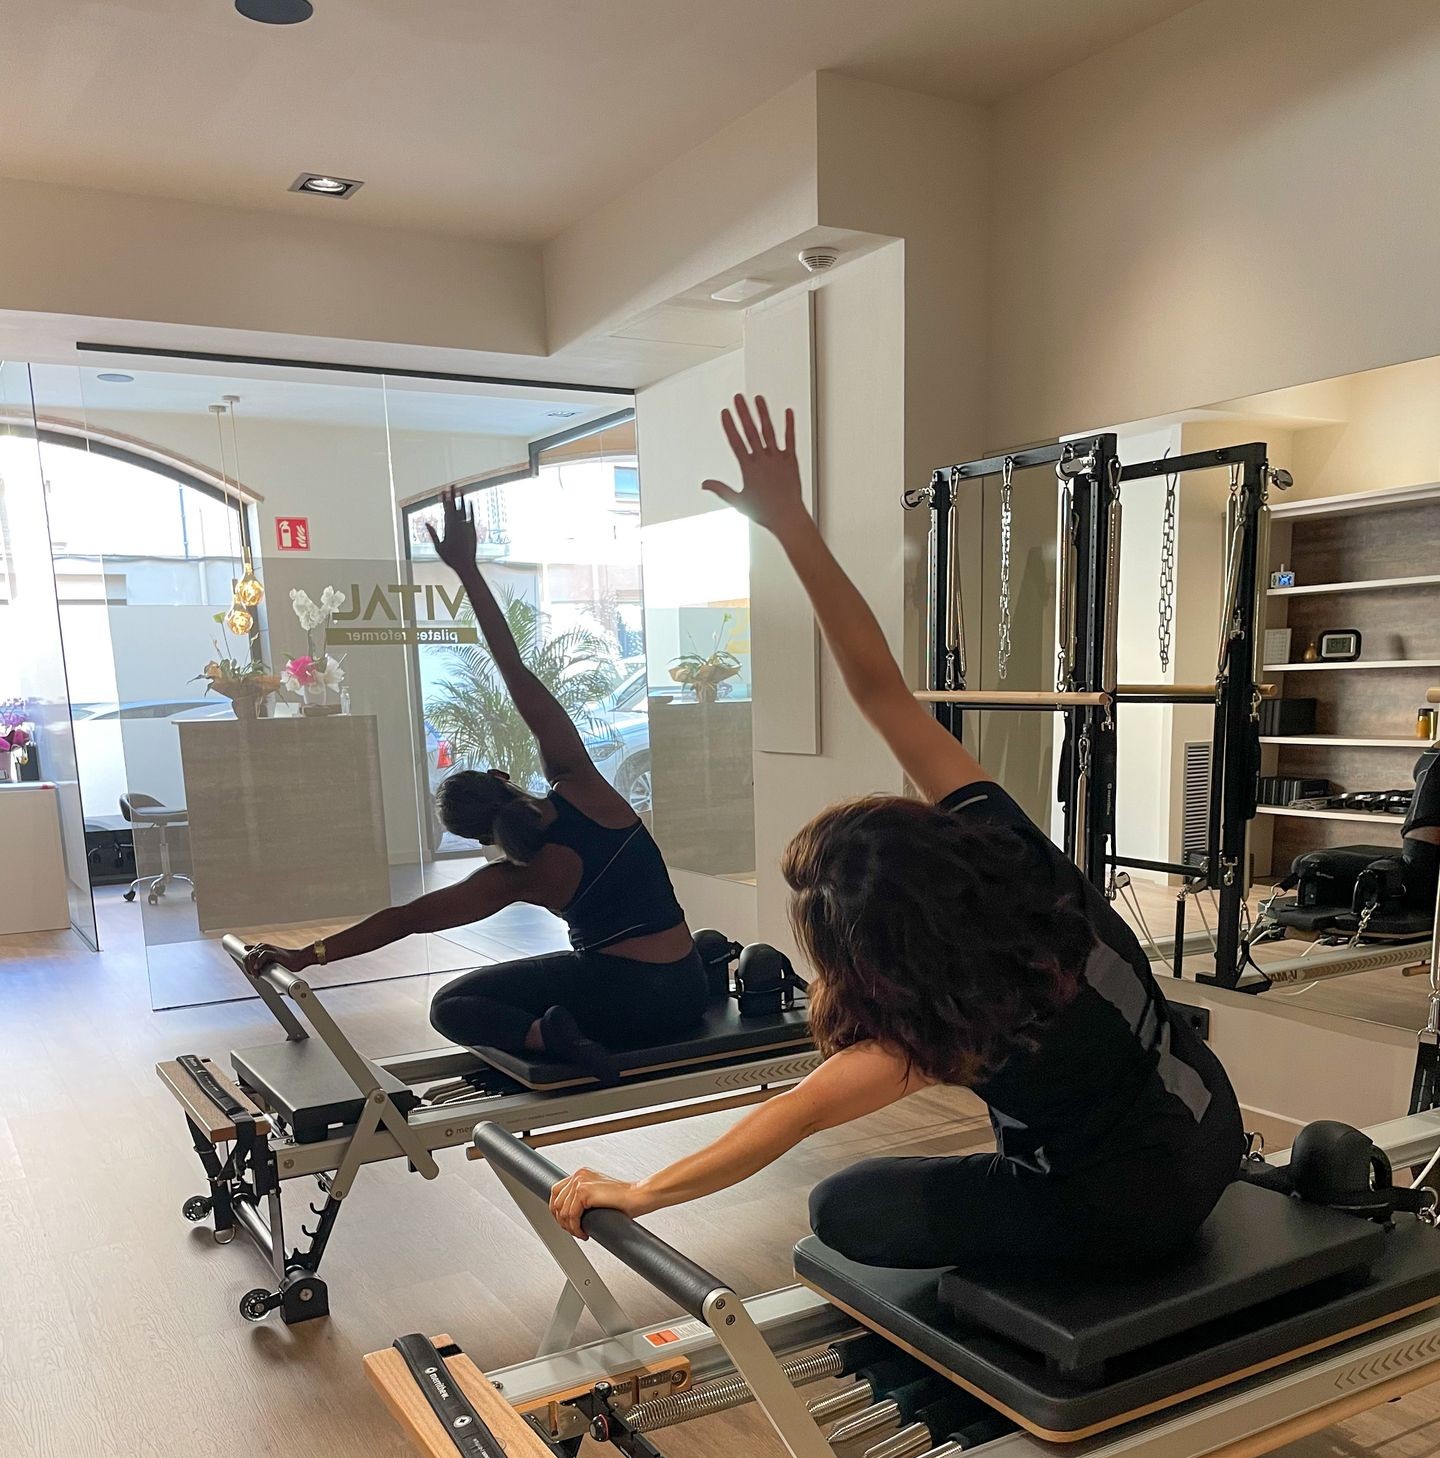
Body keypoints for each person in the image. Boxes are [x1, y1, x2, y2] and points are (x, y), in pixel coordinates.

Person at [551, 395, 1245, 1269]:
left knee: (845, 1206)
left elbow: (787, 1118)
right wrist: (792, 525)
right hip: (1211, 1121)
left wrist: (639, 1190)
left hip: (1130, 1206)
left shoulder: (938, 1027)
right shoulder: (1009, 848)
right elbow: (881, 690)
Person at [245, 487, 706, 1086]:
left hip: (621, 1003)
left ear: (476, 837)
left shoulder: (511, 877)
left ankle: (546, 1036)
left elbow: (404, 919)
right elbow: (513, 668)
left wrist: (305, 954)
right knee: (678, 946)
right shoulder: (585, 788)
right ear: (501, 778)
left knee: (452, 1006)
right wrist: (465, 566)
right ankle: (565, 1027)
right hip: (685, 989)